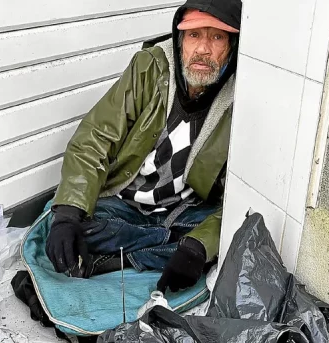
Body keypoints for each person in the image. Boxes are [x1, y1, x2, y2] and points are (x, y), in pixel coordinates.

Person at [46, 0, 242, 293]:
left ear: (231, 46)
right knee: (65, 225)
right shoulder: (150, 67)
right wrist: (68, 215)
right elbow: (95, 138)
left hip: (182, 211)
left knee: (219, 241)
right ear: (180, 40)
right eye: (194, 35)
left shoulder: (240, 93)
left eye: (216, 37)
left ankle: (128, 255)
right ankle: (160, 246)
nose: (203, 49)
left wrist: (199, 245)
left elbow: (238, 196)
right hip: (125, 202)